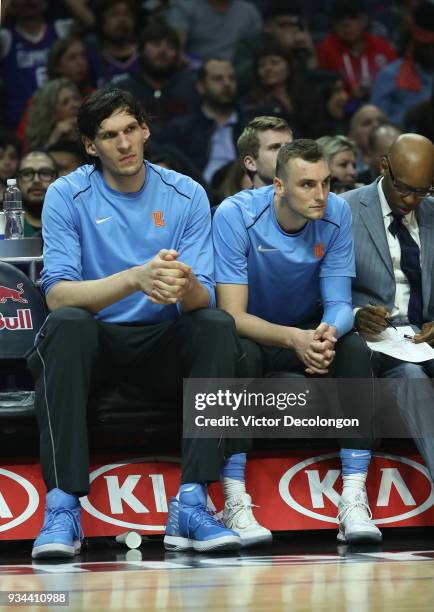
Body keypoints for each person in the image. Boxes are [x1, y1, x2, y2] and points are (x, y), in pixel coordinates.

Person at [28, 87, 270, 559]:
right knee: (68, 326)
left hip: (162, 343)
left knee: (217, 325)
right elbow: (58, 295)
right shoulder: (67, 194)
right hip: (96, 347)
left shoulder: (186, 194)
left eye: (130, 130)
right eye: (109, 135)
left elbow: (204, 297)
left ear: (146, 130)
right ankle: (62, 509)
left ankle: (193, 501)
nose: (123, 144)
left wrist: (181, 285)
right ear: (90, 146)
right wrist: (137, 278)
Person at [213, 139, 381, 544]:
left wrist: (326, 335)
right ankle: (234, 501)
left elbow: (340, 302)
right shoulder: (235, 215)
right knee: (233, 355)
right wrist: (296, 340)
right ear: (279, 186)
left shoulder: (336, 212)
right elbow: (232, 315)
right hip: (254, 330)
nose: (320, 195)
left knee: (355, 349)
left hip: (308, 327)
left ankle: (353, 499)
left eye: (325, 183)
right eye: (307, 185)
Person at [342, 133, 434, 482]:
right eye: (403, 188)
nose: (411, 200)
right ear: (383, 167)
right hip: (373, 341)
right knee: (410, 377)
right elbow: (319, 291)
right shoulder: (345, 209)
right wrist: (354, 315)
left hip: (422, 337)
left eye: (422, 191)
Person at [162, 58, 247, 184]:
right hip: (200, 193)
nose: (227, 84)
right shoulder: (182, 129)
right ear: (201, 87)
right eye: (218, 79)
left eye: (231, 79)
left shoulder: (250, 125)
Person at [118, 23, 198, 140]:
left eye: (170, 46)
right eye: (156, 44)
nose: (163, 50)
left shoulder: (191, 88)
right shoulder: (123, 91)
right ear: (140, 49)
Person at [317, 0, 397, 102]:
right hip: (343, 109)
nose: (346, 24)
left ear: (364, 20)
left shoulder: (383, 47)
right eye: (339, 18)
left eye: (352, 17)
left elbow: (397, 83)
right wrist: (349, 92)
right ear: (333, 24)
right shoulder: (326, 49)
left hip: (380, 107)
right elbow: (324, 89)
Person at [370, 1, 434, 126]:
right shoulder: (388, 76)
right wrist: (409, 116)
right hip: (403, 142)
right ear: (414, 42)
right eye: (426, 46)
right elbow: (373, 129)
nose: (432, 52)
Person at [166, 0, 262, 62]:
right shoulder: (184, 7)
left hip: (237, 71)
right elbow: (175, 49)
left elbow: (259, 50)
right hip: (195, 70)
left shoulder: (249, 11)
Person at [86, 0, 140, 88]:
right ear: (102, 22)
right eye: (114, 14)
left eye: (127, 14)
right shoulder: (93, 59)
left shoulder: (146, 55)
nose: (122, 20)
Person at [24, 78, 81, 151]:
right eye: (65, 102)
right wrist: (53, 141)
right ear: (51, 112)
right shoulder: (39, 143)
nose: (74, 105)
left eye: (76, 99)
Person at [237, 116, 293, 189]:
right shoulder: (237, 200)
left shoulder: (311, 199)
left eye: (290, 146)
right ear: (251, 163)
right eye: (274, 147)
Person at [16, 150, 58, 237]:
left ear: (57, 179)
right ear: (17, 181)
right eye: (27, 173)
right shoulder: (4, 226)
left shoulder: (72, 224)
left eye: (45, 173)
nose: (36, 180)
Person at [348, 104, 387, 174]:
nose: (376, 125)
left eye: (381, 121)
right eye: (367, 123)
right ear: (352, 136)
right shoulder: (347, 165)